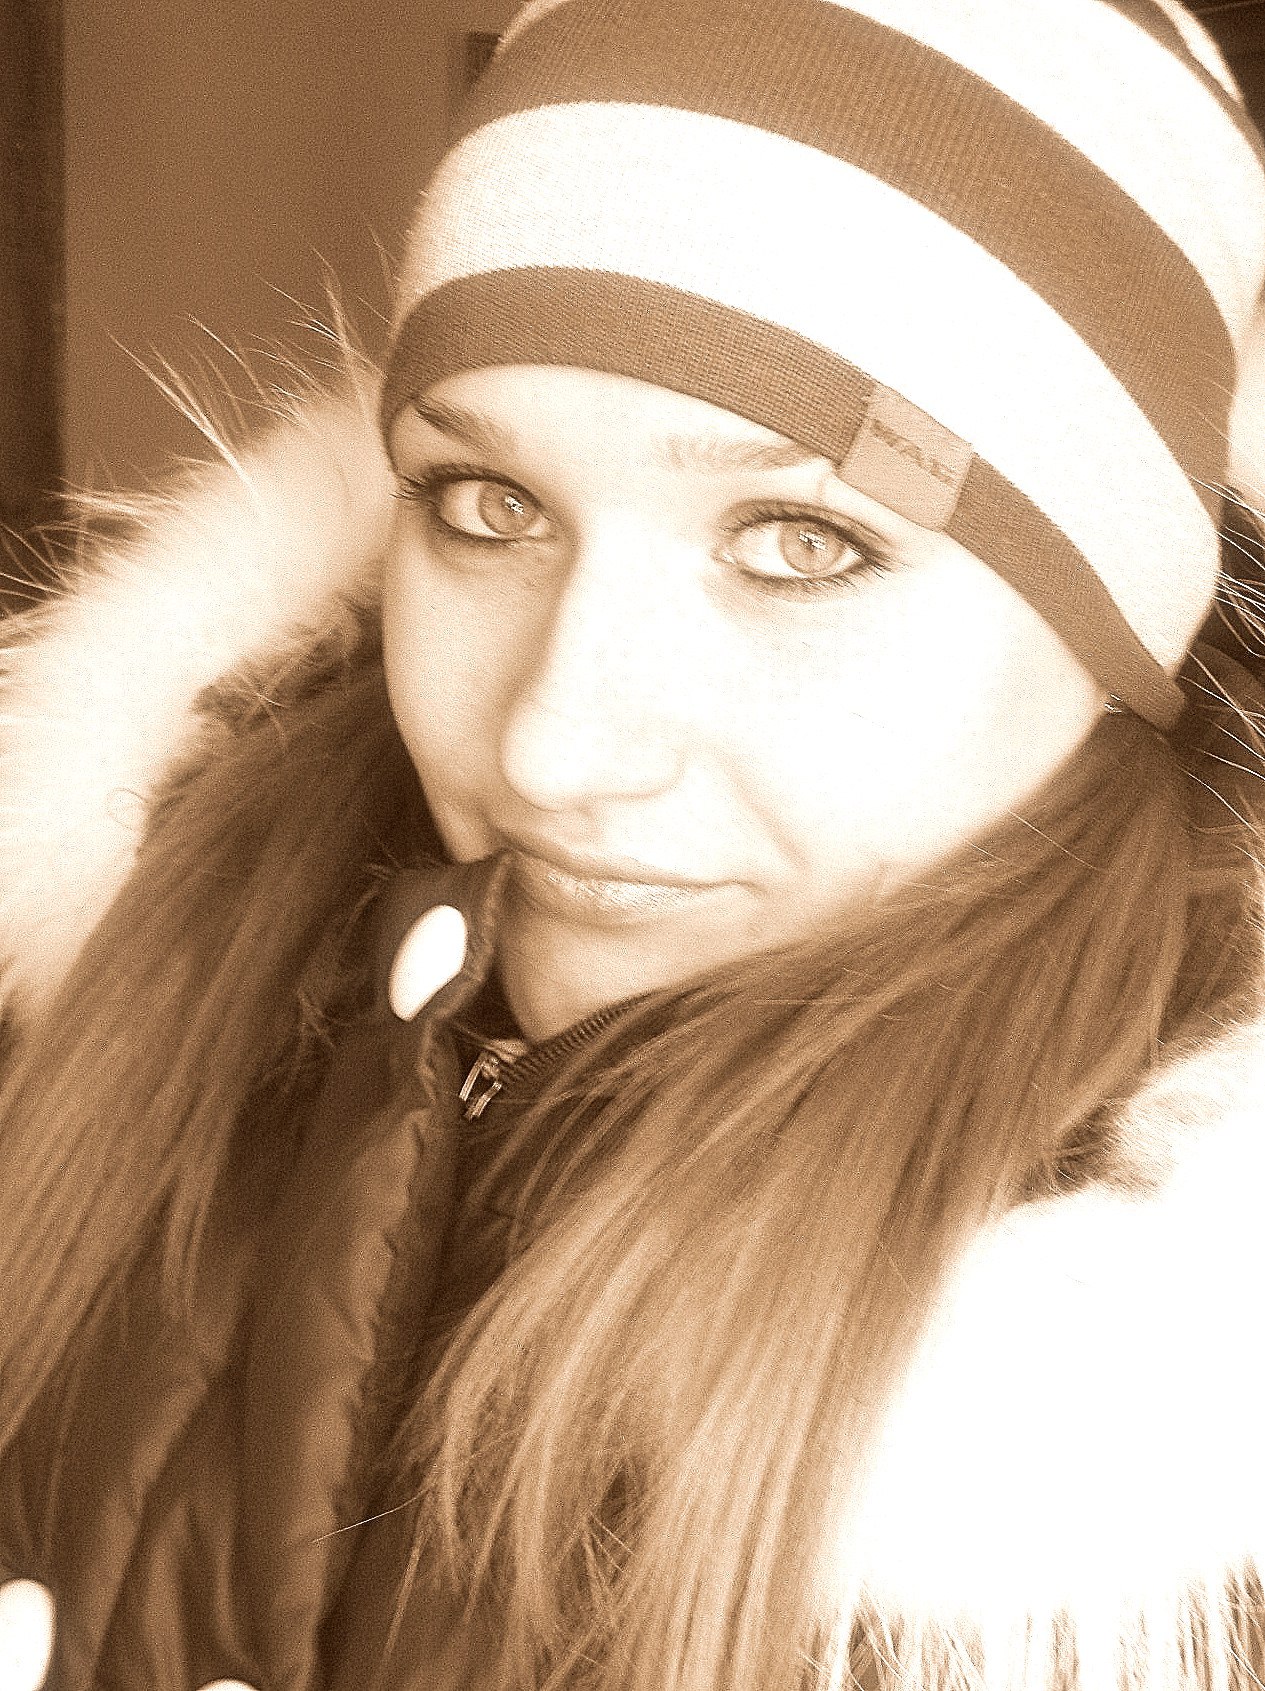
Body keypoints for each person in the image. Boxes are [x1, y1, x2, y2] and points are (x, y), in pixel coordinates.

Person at [3, 0, 1265, 1686]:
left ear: (1120, 632)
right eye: (488, 507)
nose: (550, 745)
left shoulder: (1172, 1504)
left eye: (801, 541)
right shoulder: (137, 994)